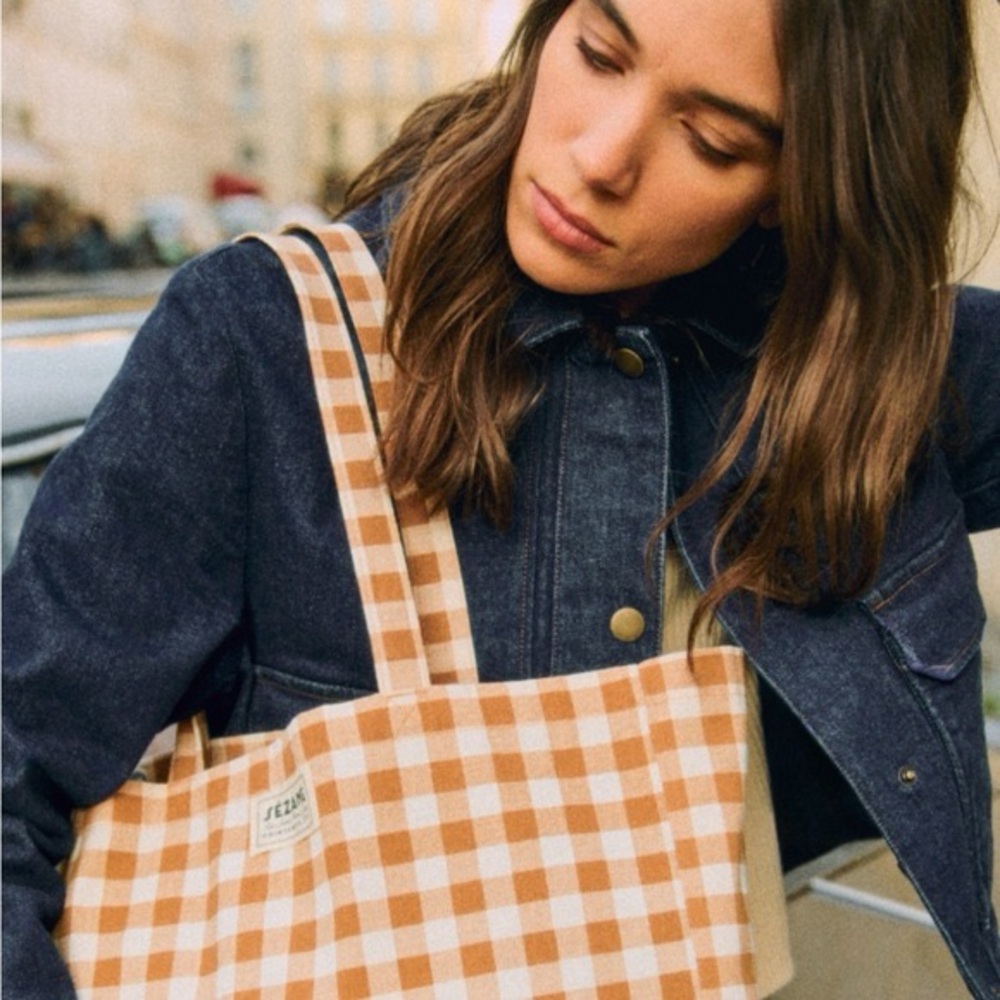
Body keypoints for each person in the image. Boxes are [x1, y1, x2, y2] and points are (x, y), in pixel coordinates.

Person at [4, 0, 999, 995]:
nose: (601, 158)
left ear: (799, 185)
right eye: (598, 54)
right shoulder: (261, 342)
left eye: (710, 140)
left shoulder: (863, 375)